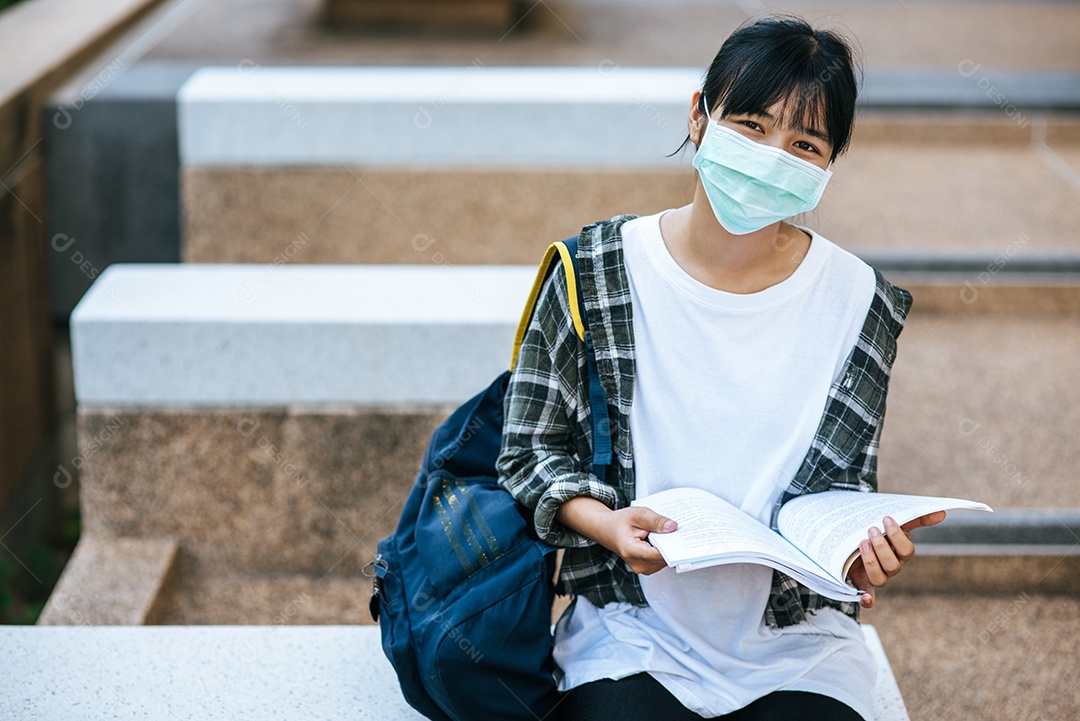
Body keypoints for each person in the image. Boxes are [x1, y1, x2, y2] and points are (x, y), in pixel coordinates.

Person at [496, 15, 945, 721]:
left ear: (828, 166)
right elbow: (528, 451)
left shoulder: (861, 301)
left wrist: (859, 557)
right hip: (630, 632)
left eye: (804, 144)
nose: (770, 157)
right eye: (751, 125)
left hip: (800, 645)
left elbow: (842, 489)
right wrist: (607, 525)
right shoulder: (593, 272)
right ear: (699, 117)